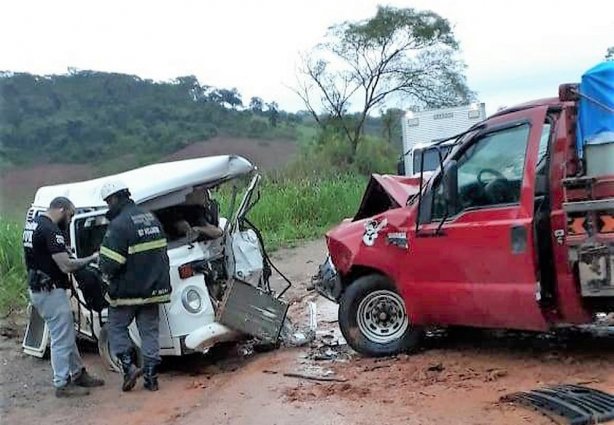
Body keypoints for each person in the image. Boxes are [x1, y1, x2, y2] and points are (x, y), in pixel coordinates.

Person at [22, 197, 104, 398]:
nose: (69, 219)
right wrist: (92, 258)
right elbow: (66, 265)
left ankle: (78, 373)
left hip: (39, 288)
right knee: (61, 338)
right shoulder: (50, 230)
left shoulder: (33, 225)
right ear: (61, 209)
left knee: (65, 334)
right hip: (50, 291)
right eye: (70, 215)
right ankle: (62, 383)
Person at [98, 180, 171, 392]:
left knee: (116, 327)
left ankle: (129, 367)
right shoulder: (150, 218)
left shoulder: (119, 225)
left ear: (113, 199)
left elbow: (111, 263)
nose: (108, 207)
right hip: (154, 289)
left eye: (108, 202)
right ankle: (151, 377)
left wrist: (101, 265)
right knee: (149, 333)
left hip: (127, 293)